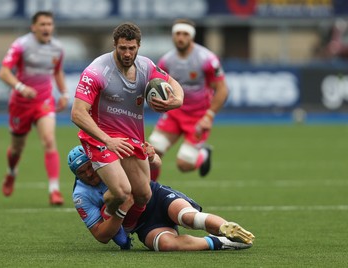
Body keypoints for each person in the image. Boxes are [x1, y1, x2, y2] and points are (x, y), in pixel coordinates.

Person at [70, 22, 184, 230]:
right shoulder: (96, 71)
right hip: (100, 139)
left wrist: (177, 101)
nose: (127, 53)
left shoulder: (146, 66)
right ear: (115, 45)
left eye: (132, 48)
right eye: (122, 48)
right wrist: (107, 140)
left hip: (132, 138)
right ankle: (108, 213)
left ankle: (128, 229)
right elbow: (77, 113)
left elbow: (174, 83)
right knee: (122, 192)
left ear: (138, 46)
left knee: (143, 195)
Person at [68, 144, 255, 251]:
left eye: (90, 167)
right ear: (76, 175)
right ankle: (222, 243)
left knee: (188, 217)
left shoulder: (111, 159)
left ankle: (226, 228)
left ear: (95, 161)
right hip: (141, 225)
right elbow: (101, 235)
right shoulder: (81, 195)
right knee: (165, 244)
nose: (89, 174)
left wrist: (150, 156)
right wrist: (122, 208)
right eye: (82, 173)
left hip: (156, 198)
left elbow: (157, 162)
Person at [0, 11, 68, 205]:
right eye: (43, 24)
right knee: (16, 149)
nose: (47, 28)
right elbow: (3, 72)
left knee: (48, 140)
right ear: (34, 27)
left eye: (49, 24)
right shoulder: (21, 45)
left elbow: (58, 72)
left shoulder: (58, 48)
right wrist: (21, 87)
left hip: (44, 101)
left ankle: (54, 190)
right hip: (20, 103)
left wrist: (64, 93)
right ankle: (11, 172)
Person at [148, 19, 229, 181]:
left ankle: (203, 154)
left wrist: (209, 116)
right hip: (174, 113)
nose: (180, 38)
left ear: (191, 37)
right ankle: (149, 192)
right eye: (177, 34)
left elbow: (222, 89)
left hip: (198, 118)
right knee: (151, 154)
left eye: (185, 34)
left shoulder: (206, 59)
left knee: (184, 164)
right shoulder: (167, 60)